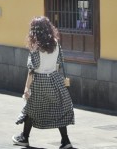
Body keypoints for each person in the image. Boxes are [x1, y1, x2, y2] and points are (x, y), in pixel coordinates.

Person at [12, 16, 75, 149]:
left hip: (39, 81)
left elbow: (32, 70)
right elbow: (58, 65)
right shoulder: (56, 43)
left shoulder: (35, 47)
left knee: (31, 109)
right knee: (59, 109)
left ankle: (24, 138)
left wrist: (26, 88)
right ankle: (65, 141)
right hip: (55, 79)